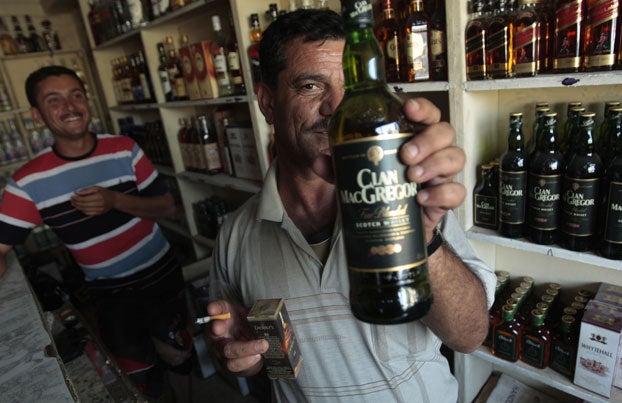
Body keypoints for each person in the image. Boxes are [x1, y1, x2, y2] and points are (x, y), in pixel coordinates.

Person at [206, 8, 496, 402]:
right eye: (311, 86)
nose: (339, 108)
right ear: (267, 102)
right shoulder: (235, 236)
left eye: (351, 87)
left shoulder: (406, 196)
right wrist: (241, 352)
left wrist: (421, 235)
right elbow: (237, 350)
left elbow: (470, 335)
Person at [0, 65, 192, 399]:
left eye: (76, 95)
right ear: (36, 114)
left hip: (162, 277)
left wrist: (115, 200)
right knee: (138, 379)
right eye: (54, 100)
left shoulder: (123, 148)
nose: (70, 106)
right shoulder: (27, 182)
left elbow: (167, 207)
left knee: (179, 357)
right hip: (111, 295)